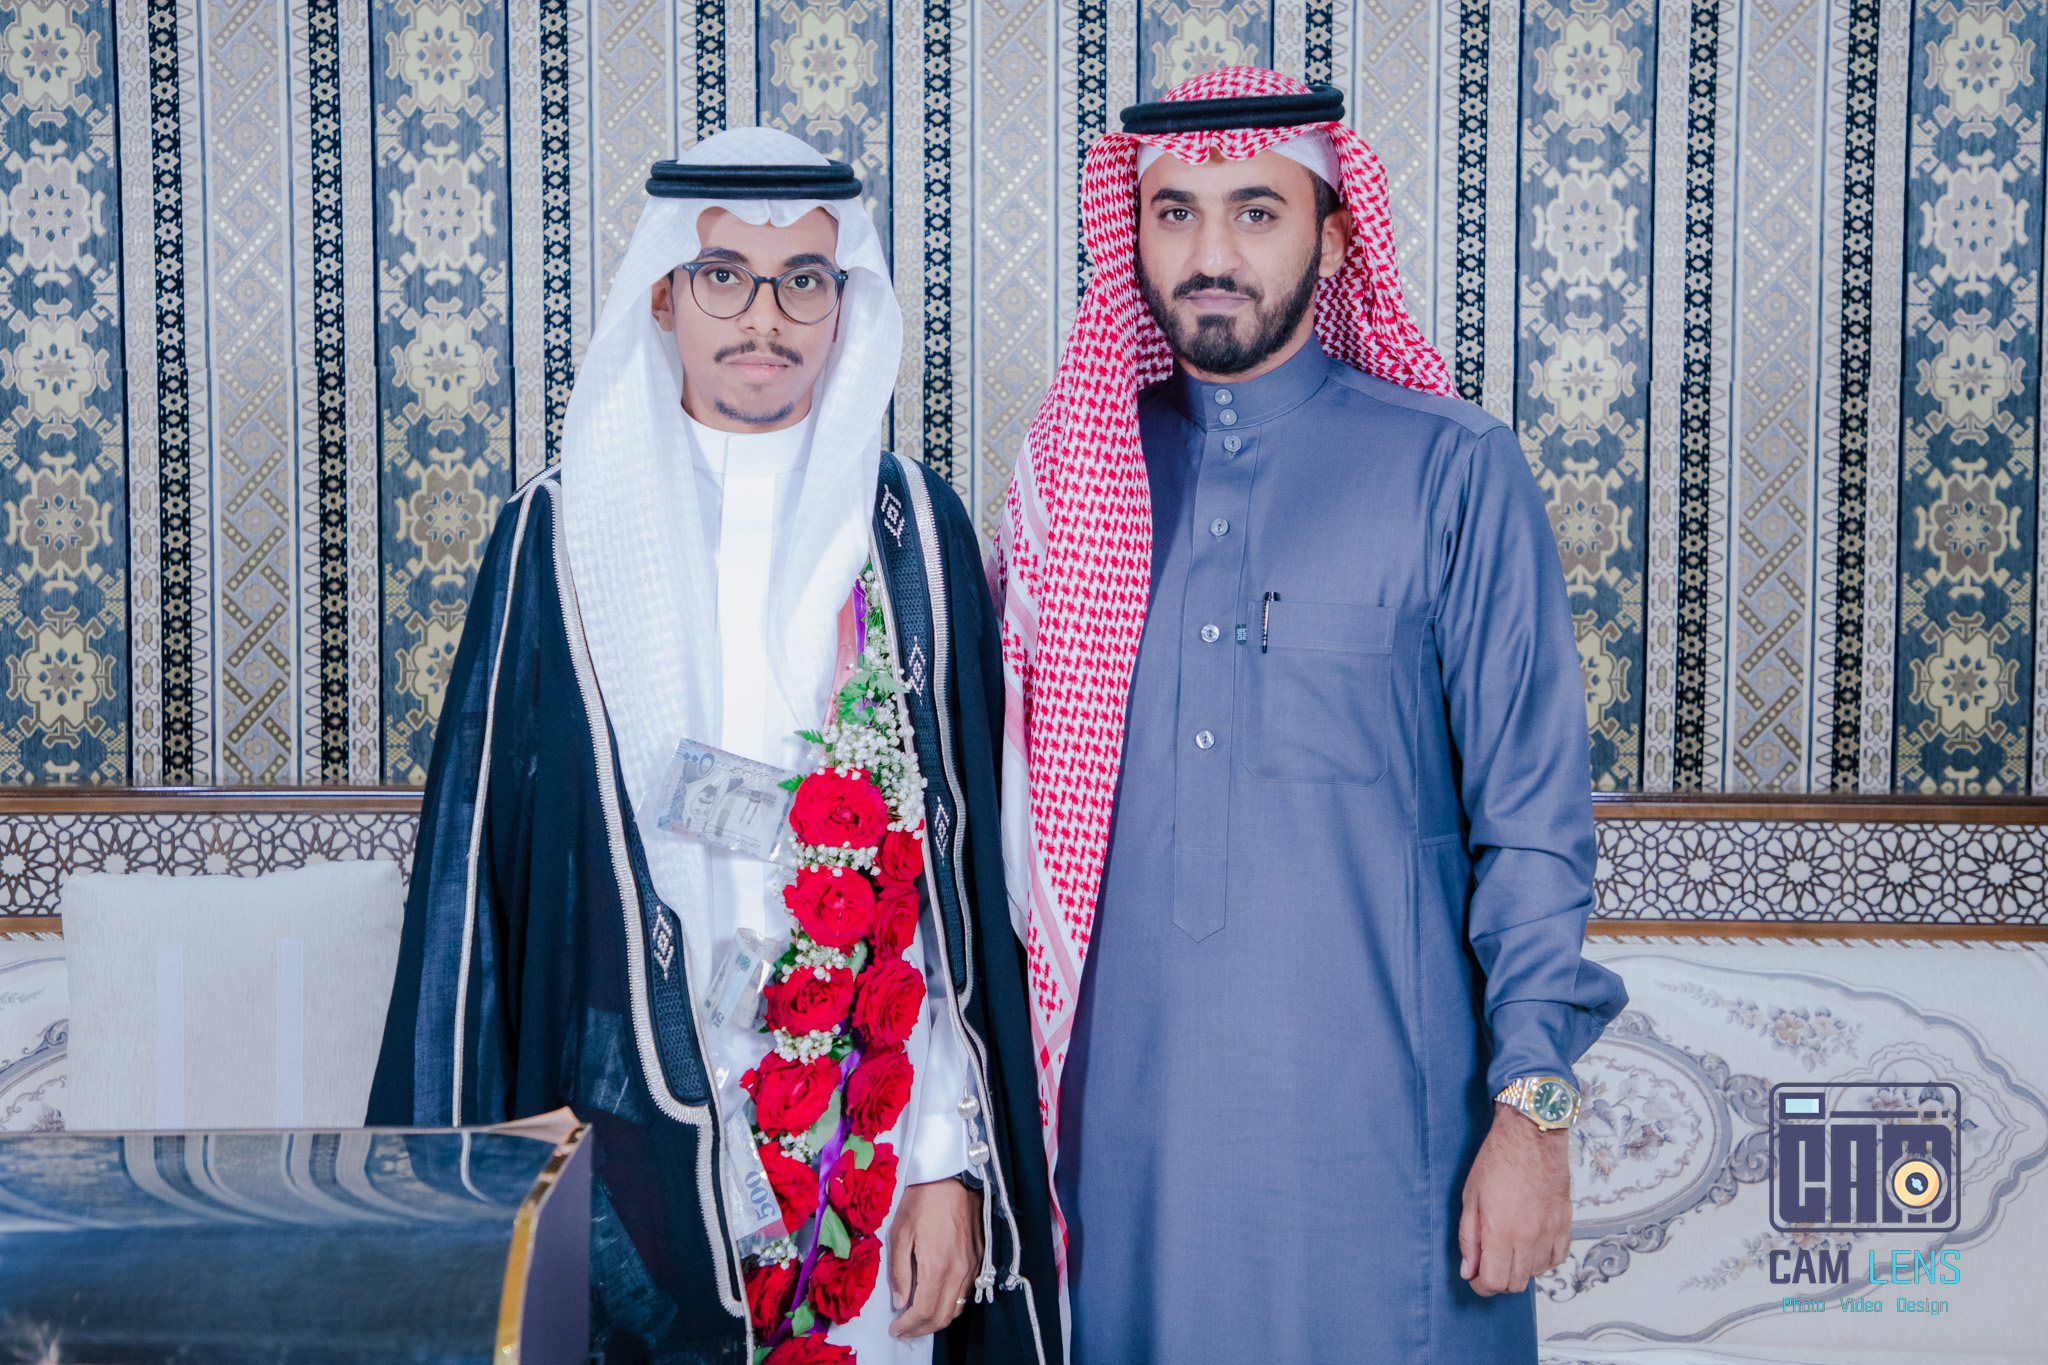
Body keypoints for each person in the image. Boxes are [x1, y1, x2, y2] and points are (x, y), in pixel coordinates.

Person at [370, 127, 1059, 1365]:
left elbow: (951, 896)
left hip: (863, 1141)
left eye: (803, 282)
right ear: (663, 295)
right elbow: (488, 894)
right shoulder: (558, 536)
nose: (764, 319)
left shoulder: (910, 533)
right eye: (724, 277)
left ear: (845, 304)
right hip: (623, 1149)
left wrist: (943, 1163)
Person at [994, 68, 1629, 1363]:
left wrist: (1534, 1121)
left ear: (1335, 237)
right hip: (1123, 1161)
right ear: (1132, 233)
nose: (1210, 253)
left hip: (1389, 1157)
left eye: (1256, 211)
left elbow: (1533, 829)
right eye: (1174, 212)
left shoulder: (1452, 468)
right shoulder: (1073, 486)